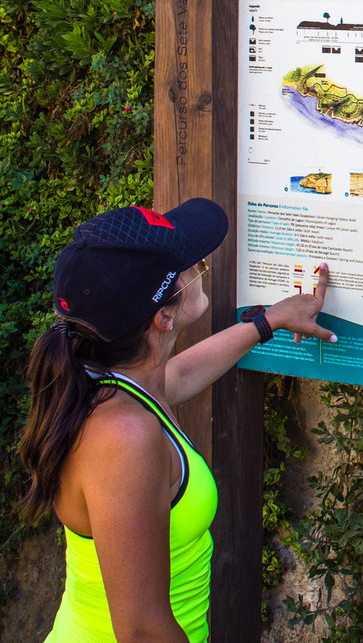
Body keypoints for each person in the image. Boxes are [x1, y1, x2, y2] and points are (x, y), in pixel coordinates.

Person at [17, 198, 336, 643]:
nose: (201, 265)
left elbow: (181, 373)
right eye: (192, 265)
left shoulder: (113, 387)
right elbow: (143, 630)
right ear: (163, 317)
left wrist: (269, 322)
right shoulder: (123, 435)